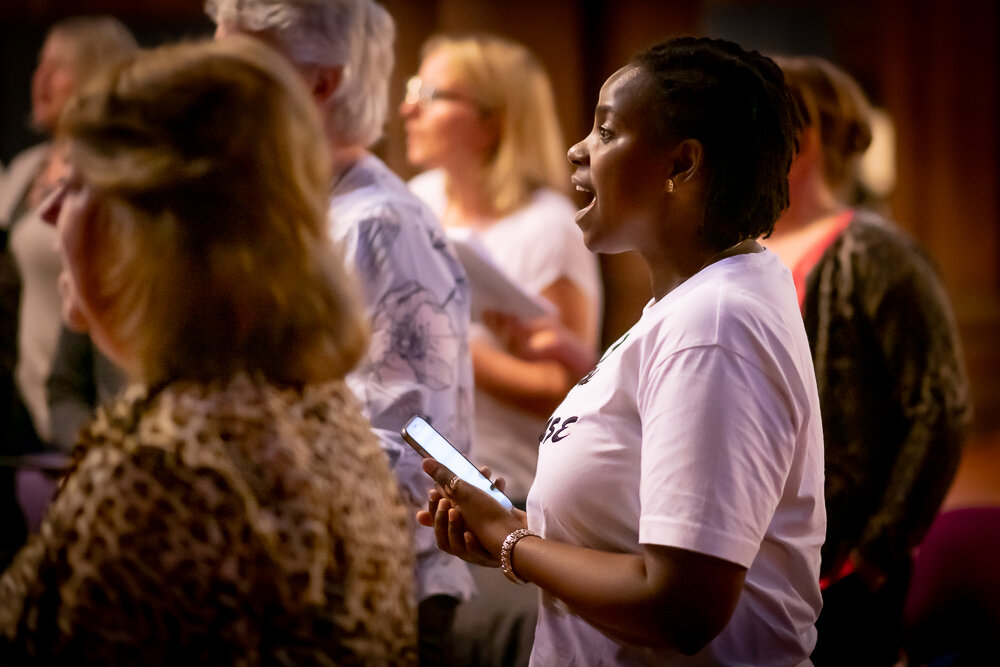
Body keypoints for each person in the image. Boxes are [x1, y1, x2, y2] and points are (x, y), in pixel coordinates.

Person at [0, 35, 417, 664]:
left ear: (157, 236)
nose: (53, 213)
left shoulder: (165, 470)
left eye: (81, 185)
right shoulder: (317, 407)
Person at [418, 36, 825, 664]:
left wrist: (511, 545)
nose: (578, 150)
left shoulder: (713, 326)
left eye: (607, 133)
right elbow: (631, 541)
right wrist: (518, 527)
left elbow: (680, 607)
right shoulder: (688, 307)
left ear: (681, 166)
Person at [204, 1, 475, 662]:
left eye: (239, 62)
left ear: (321, 83)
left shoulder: (378, 225)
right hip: (299, 581)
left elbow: (411, 453)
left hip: (374, 593)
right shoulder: (289, 209)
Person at [765, 55, 971, 666]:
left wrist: (877, 555)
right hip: (752, 558)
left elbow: (941, 407)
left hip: (844, 568)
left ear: (803, 139)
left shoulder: (874, 251)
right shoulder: (737, 255)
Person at [402, 33, 601, 509]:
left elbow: (565, 392)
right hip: (413, 475)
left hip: (504, 491)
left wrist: (445, 340)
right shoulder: (417, 199)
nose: (408, 109)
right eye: (413, 90)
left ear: (491, 124)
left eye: (431, 96)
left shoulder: (549, 228)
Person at [0, 16, 137, 454]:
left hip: (96, 407)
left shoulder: (124, 175)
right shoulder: (24, 169)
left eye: (56, 66)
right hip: (28, 405)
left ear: (96, 75)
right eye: (39, 64)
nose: (39, 79)